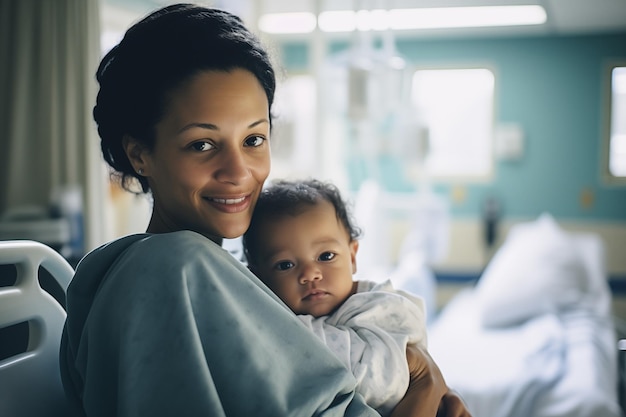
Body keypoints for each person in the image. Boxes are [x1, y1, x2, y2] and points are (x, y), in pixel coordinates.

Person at [59, 3, 471, 417]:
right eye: (202, 144)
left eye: (254, 139)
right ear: (139, 154)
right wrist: (421, 388)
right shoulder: (172, 268)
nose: (239, 172)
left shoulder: (213, 278)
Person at [243, 179, 429, 416]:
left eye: (326, 255)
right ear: (258, 280)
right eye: (285, 264)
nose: (310, 274)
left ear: (352, 257)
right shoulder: (272, 321)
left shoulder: (383, 308)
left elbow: (379, 384)